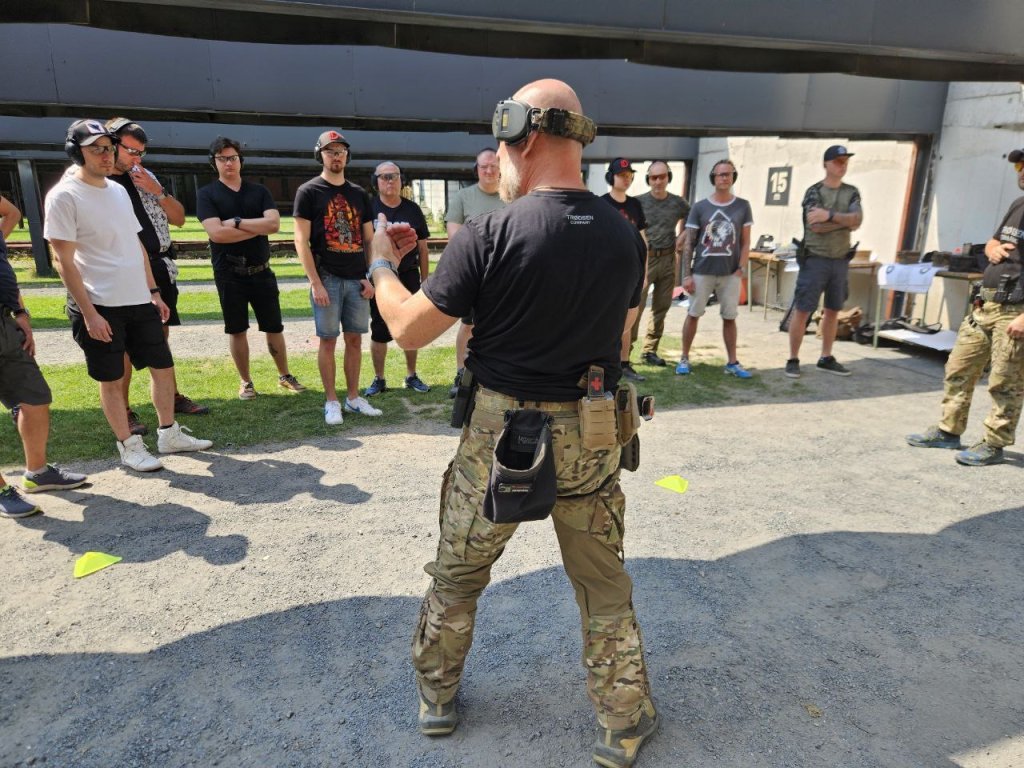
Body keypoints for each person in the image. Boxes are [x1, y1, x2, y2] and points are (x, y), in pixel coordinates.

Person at [371, 79, 657, 768]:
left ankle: (437, 697)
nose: (497, 160)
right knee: (602, 585)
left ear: (523, 137)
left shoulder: (488, 233)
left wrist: (381, 263)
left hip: (501, 438)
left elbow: (408, 330)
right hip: (591, 430)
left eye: (500, 146)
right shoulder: (627, 238)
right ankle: (621, 722)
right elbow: (620, 341)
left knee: (458, 572)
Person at [44, 119, 211, 472]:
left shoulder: (118, 190)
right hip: (99, 303)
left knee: (163, 367)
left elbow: (136, 244)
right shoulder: (64, 195)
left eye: (109, 148)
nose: (106, 156)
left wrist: (153, 291)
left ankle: (169, 434)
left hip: (138, 298)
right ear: (76, 152)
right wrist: (89, 313)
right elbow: (62, 261)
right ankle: (129, 446)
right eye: (96, 149)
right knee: (111, 377)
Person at [906, 149, 1024, 466]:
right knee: (959, 368)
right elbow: (992, 241)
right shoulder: (1018, 204)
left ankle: (994, 444)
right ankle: (948, 431)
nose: (1021, 171)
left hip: (1016, 311)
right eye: (1019, 165)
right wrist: (993, 249)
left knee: (1006, 382)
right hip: (986, 303)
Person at [105, 117, 208, 436]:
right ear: (111, 144)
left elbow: (179, 218)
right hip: (124, 270)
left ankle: (170, 397)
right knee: (122, 346)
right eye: (131, 151)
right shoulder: (100, 183)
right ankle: (123, 410)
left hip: (160, 266)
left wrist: (158, 191)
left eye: (141, 152)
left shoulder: (145, 177)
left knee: (159, 339)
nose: (136, 158)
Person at [197, 136, 305, 400]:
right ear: (214, 162)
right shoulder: (207, 194)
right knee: (236, 329)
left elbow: (274, 225)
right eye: (222, 158)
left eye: (232, 158)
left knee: (274, 326)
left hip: (261, 270)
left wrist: (235, 222)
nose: (228, 163)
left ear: (240, 161)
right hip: (229, 274)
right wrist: (255, 227)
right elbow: (216, 234)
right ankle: (245, 381)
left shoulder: (259, 192)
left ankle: (284, 375)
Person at [0, 194, 88, 518]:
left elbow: (11, 214)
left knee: (35, 398)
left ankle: (37, 473)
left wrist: (20, 312)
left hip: (5, 323)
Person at [292, 130, 381, 425]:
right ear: (320, 155)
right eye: (330, 151)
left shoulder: (359, 194)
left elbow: (369, 240)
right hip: (327, 277)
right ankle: (331, 401)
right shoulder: (308, 192)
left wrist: (369, 276)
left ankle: (353, 398)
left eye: (341, 151)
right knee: (328, 341)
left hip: (357, 279)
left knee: (354, 339)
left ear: (347, 155)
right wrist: (315, 282)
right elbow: (300, 241)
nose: (336, 156)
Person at [786, 145, 863, 378]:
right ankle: (793, 359)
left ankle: (826, 357)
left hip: (839, 260)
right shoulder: (814, 192)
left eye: (845, 161)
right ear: (825, 164)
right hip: (815, 259)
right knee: (803, 310)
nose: (842, 165)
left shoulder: (851, 192)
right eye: (838, 161)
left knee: (832, 311)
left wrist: (830, 215)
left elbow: (858, 220)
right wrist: (845, 222)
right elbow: (816, 226)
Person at [676, 159, 754, 378]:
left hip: (730, 273)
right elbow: (690, 242)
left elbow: (746, 241)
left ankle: (732, 362)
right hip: (702, 271)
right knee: (693, 314)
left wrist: (741, 268)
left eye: (728, 174)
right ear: (713, 178)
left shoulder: (742, 206)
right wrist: (687, 275)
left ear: (733, 177)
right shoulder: (700, 207)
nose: (724, 178)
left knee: (730, 317)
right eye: (720, 174)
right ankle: (684, 358)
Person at [364, 161, 431, 397]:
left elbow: (423, 248)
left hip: (408, 274)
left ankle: (411, 375)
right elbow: (365, 245)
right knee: (379, 328)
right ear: (376, 182)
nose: (390, 181)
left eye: (394, 176)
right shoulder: (369, 208)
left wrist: (425, 280)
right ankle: (379, 379)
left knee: (411, 326)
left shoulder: (413, 210)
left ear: (401, 180)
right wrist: (367, 275)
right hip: (380, 275)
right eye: (384, 177)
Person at [444, 148, 505, 396]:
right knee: (468, 325)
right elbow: (454, 237)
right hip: (474, 274)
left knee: (502, 326)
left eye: (493, 166)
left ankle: (495, 376)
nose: (489, 170)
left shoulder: (513, 196)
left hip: (505, 275)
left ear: (501, 169)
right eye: (483, 166)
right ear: (476, 169)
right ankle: (462, 375)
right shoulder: (463, 197)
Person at [636, 161, 689, 366]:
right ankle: (625, 354)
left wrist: (683, 235)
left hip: (668, 259)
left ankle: (650, 351)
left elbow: (695, 219)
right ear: (648, 179)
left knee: (661, 307)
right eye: (653, 177)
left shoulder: (678, 203)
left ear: (669, 178)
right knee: (636, 306)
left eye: (662, 177)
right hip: (645, 259)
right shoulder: (638, 202)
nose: (658, 181)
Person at [602, 158, 648, 382]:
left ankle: (624, 363)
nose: (626, 179)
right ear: (611, 177)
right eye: (622, 175)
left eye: (629, 175)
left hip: (630, 271)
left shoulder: (635, 205)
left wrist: (645, 270)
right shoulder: (601, 204)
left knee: (628, 317)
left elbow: (643, 240)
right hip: (607, 271)